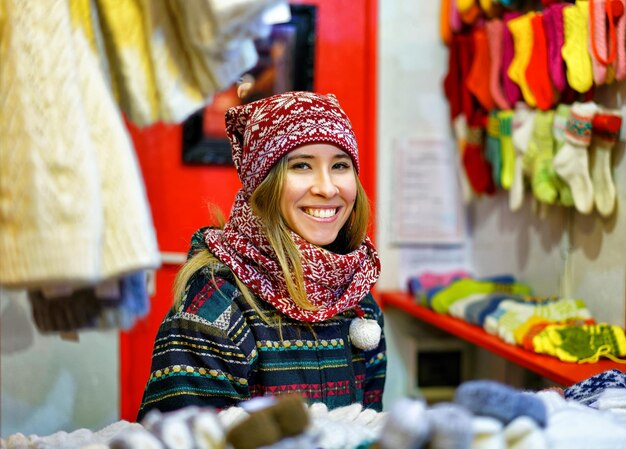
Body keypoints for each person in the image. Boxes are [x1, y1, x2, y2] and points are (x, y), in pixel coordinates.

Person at [137, 91, 386, 421]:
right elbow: (179, 439)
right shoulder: (216, 308)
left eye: (340, 165)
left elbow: (368, 431)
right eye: (301, 165)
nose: (327, 188)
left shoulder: (359, 303)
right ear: (262, 185)